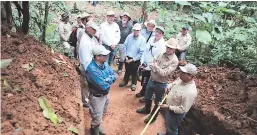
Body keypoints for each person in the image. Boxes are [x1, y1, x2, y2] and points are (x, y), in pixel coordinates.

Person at [136, 38, 179, 124]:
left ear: (174, 49)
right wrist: (156, 67)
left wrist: (155, 67)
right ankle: (146, 109)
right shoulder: (161, 54)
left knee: (158, 102)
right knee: (147, 96)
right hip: (151, 80)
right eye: (168, 47)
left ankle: (153, 117)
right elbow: (151, 62)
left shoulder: (174, 61)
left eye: (171, 48)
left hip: (161, 84)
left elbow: (164, 73)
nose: (168, 49)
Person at [157, 63, 198, 135]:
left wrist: (168, 107)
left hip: (175, 114)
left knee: (172, 128)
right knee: (168, 125)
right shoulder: (181, 79)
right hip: (170, 108)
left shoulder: (190, 92)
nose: (180, 73)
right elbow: (174, 83)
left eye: (183, 72)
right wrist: (169, 86)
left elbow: (182, 109)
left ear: (190, 76)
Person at [85, 45, 116, 135]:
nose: (106, 56)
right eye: (104, 55)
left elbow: (114, 75)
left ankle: (97, 126)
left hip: (106, 95)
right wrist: (109, 79)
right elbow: (103, 85)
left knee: (102, 113)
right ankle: (94, 130)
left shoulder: (104, 63)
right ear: (97, 57)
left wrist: (107, 79)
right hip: (97, 97)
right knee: (97, 115)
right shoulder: (92, 69)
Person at [136, 26, 166, 101]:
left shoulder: (162, 45)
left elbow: (158, 58)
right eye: (156, 32)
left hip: (153, 67)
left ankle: (147, 97)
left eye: (159, 33)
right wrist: (142, 61)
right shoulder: (151, 39)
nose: (157, 34)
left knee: (149, 82)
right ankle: (143, 91)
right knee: (144, 80)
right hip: (145, 64)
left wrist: (149, 66)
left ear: (162, 34)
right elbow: (145, 51)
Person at [78, 21, 100, 108]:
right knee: (86, 84)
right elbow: (86, 59)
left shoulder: (91, 38)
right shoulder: (85, 42)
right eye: (93, 29)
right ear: (88, 29)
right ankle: (85, 100)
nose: (95, 31)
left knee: (89, 84)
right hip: (87, 66)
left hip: (92, 64)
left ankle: (88, 98)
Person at [119, 23, 146, 91]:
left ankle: (134, 83)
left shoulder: (142, 39)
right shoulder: (129, 36)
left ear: (140, 31)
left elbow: (141, 52)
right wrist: (125, 55)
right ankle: (125, 81)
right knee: (127, 70)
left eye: (137, 30)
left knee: (134, 72)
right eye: (134, 30)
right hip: (127, 57)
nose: (135, 31)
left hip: (136, 59)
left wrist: (133, 59)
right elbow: (125, 45)